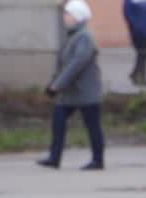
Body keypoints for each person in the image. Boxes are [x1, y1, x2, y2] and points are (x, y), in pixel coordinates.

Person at [37, 0, 105, 171]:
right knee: (58, 120)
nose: (64, 17)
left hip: (85, 92)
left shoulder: (84, 37)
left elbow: (77, 63)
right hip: (69, 93)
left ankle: (98, 160)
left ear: (77, 17)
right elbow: (64, 64)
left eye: (68, 14)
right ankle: (54, 157)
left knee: (92, 126)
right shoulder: (73, 36)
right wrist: (55, 83)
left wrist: (56, 85)